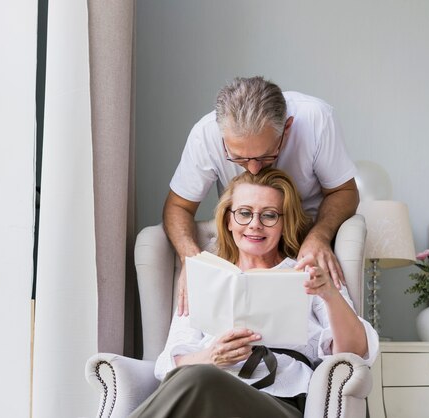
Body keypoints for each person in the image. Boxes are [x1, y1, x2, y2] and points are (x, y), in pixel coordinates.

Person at [130, 168, 378, 418]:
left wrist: (330, 294)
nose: (255, 225)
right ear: (228, 220)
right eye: (244, 213)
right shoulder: (207, 276)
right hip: (207, 395)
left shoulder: (309, 272)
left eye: (269, 215)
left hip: (280, 402)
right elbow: (165, 366)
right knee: (199, 376)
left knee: (200, 378)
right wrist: (210, 356)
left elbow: (355, 352)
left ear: (284, 222)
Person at [164, 76, 359, 315]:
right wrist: (192, 262)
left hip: (309, 233)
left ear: (287, 129)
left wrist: (319, 236)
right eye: (239, 158)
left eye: (266, 156)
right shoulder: (204, 135)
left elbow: (345, 191)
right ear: (222, 138)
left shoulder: (317, 119)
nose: (254, 169)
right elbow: (178, 206)